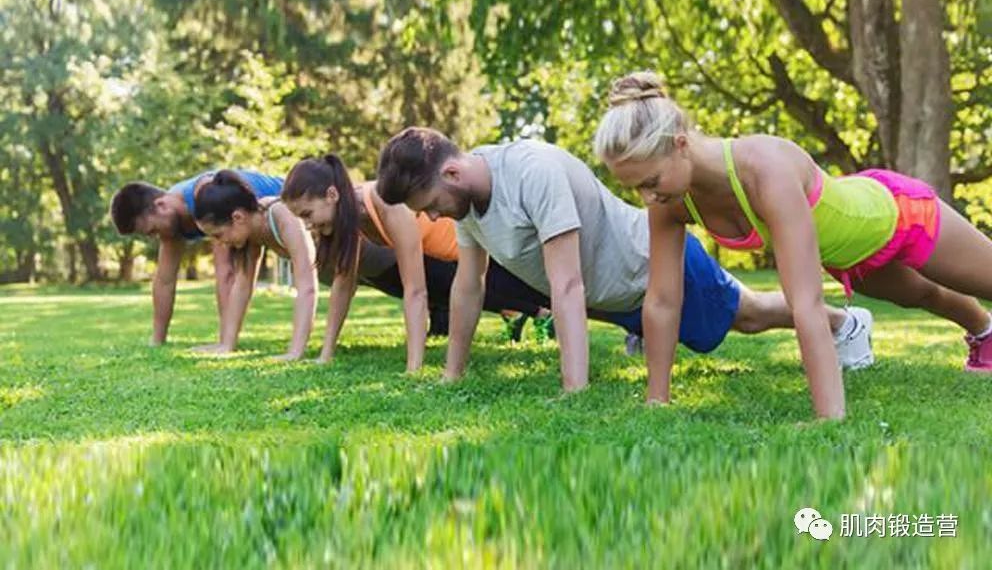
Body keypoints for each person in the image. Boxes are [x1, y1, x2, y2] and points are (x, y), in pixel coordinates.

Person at [594, 71, 992, 419]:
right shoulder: (672, 201)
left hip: (899, 216)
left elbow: (805, 303)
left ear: (680, 144)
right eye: (636, 188)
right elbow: (663, 300)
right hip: (848, 256)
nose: (646, 198)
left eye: (650, 182)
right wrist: (656, 402)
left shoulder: (764, 169)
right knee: (925, 295)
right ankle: (985, 334)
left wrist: (828, 418)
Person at [375, 127, 871, 393]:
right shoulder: (466, 200)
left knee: (747, 315)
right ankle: (642, 332)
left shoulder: (532, 172)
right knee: (737, 317)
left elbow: (567, 286)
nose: (433, 217)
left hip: (649, 267)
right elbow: (468, 284)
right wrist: (452, 373)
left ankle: (845, 324)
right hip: (612, 297)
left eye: (431, 204)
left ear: (454, 173)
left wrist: (574, 390)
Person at [280, 155, 558, 371]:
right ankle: (535, 313)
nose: (306, 225)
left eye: (307, 214)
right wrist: (325, 355)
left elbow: (415, 291)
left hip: (486, 258)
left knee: (571, 299)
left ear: (331, 195)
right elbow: (343, 285)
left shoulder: (384, 203)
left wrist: (414, 369)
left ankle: (545, 316)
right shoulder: (351, 217)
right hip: (456, 264)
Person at [110, 169, 283, 345]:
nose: (155, 237)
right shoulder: (172, 222)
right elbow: (164, 281)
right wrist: (157, 340)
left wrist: (225, 344)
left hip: (288, 205)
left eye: (153, 230)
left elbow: (226, 272)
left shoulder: (206, 196)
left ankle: (228, 339)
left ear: (160, 205)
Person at [192, 170, 315, 358]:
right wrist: (226, 345)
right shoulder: (250, 232)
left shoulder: (282, 214)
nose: (220, 243)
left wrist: (295, 352)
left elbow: (307, 286)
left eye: (218, 234)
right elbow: (241, 287)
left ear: (238, 217)